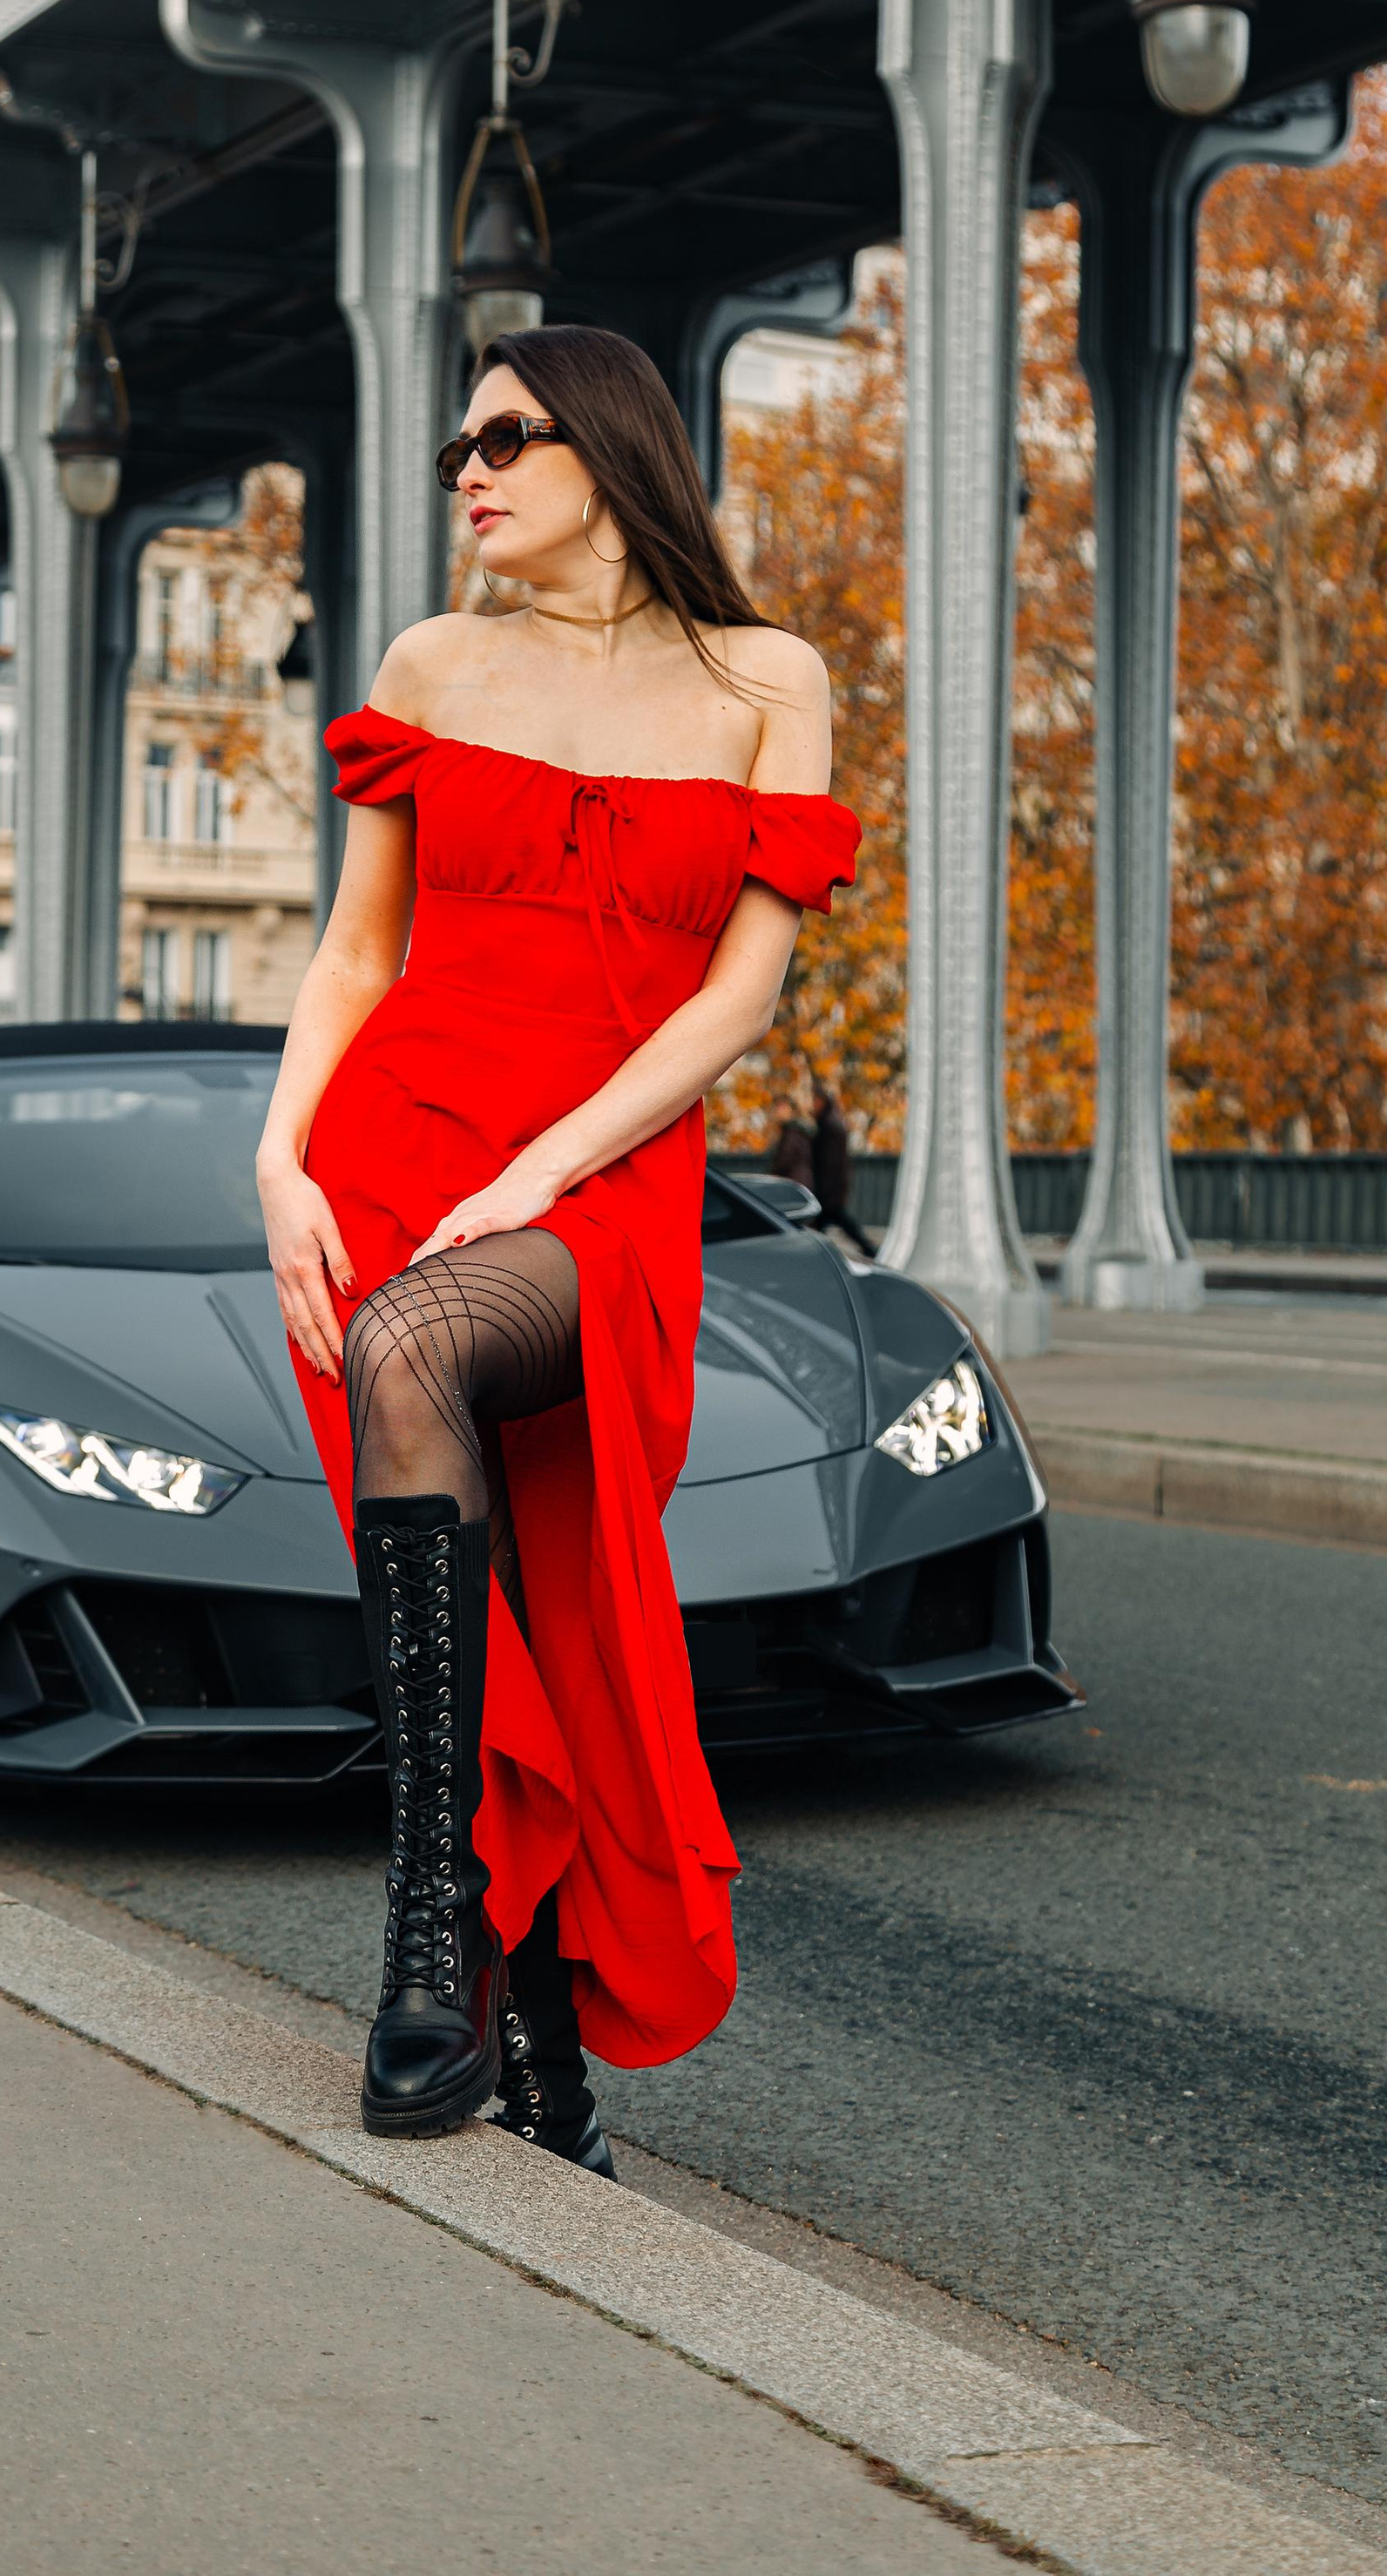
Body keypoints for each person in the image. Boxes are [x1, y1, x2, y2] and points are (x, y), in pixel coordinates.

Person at [256, 325, 858, 2168]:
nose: (468, 471)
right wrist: (279, 1158)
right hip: (389, 1156)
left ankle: (464, 1974)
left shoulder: (765, 680)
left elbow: (734, 1003)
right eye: (456, 447)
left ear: (608, 449)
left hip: (595, 1182)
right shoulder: (428, 667)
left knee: (533, 1538)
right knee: (482, 1564)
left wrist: (539, 1174)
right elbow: (358, 952)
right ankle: (465, 1996)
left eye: (503, 438)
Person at [810, 1082, 877, 1258]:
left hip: (828, 1189)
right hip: (832, 1188)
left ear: (820, 1101)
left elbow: (830, 1163)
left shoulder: (828, 1126)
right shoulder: (830, 1122)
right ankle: (868, 1249)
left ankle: (867, 1249)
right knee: (835, 1224)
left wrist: (825, 1190)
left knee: (831, 1223)